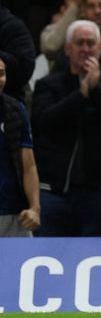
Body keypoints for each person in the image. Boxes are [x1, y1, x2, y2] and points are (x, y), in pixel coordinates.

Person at [32, 20, 101, 236]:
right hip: (54, 192)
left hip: (96, 193)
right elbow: (43, 122)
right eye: (79, 43)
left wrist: (95, 91)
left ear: (100, 47)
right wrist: (81, 95)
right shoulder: (47, 84)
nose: (85, 49)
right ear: (68, 49)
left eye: (90, 43)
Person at [0, 56, 40, 237]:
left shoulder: (15, 110)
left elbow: (29, 166)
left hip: (13, 213)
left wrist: (34, 208)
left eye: (1, 74)